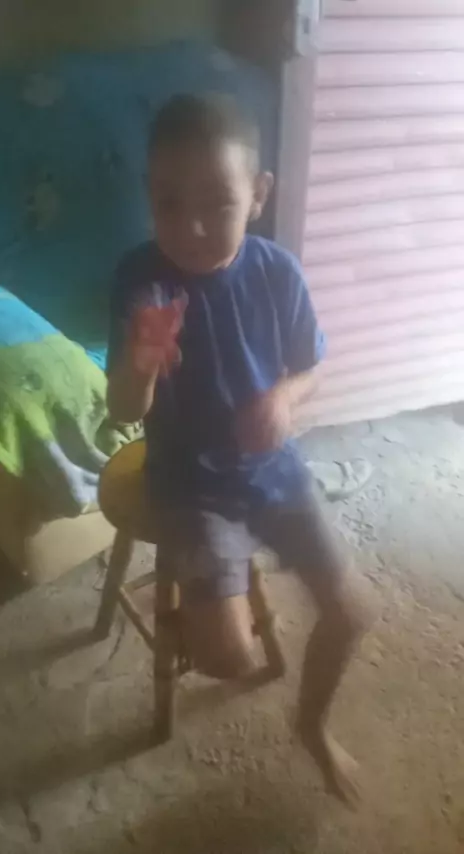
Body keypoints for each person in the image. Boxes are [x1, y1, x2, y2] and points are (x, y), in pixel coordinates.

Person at [107, 94, 370, 805]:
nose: (190, 228)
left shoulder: (277, 271)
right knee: (228, 657)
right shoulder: (143, 282)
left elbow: (311, 367)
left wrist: (283, 398)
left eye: (217, 204)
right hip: (190, 485)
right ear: (147, 194)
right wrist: (141, 364)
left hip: (271, 469)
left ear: (258, 195)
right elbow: (123, 410)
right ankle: (227, 579)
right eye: (168, 203)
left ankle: (312, 726)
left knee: (354, 611)